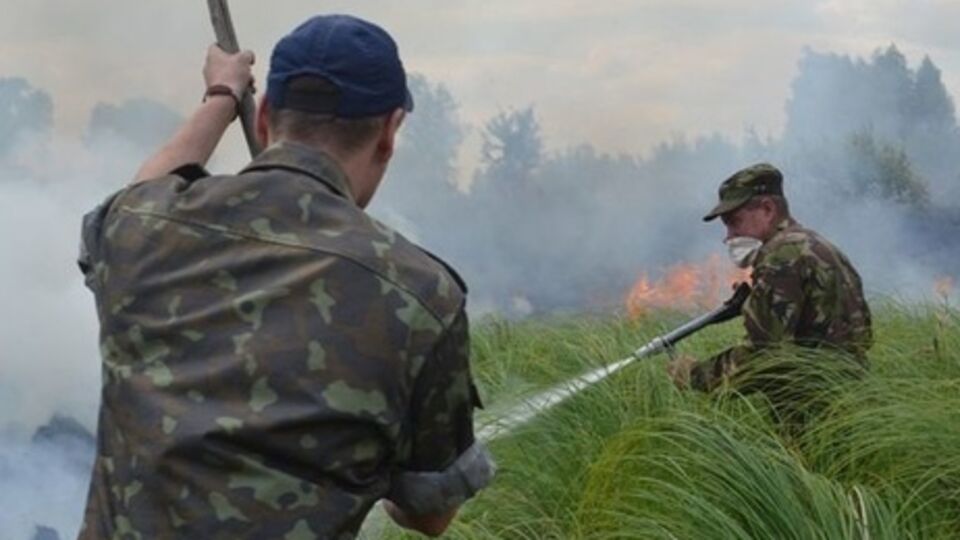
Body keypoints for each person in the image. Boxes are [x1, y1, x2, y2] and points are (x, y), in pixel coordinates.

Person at [77, 14, 493, 539]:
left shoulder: (140, 231)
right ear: (389, 133)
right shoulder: (422, 296)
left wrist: (222, 94)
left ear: (265, 115)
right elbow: (430, 512)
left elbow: (136, 201)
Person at [668, 163, 873, 397]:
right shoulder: (818, 245)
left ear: (767, 209)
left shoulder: (780, 257)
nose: (729, 236)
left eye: (735, 222)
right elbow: (858, 335)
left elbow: (764, 356)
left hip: (815, 409)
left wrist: (694, 375)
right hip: (854, 397)